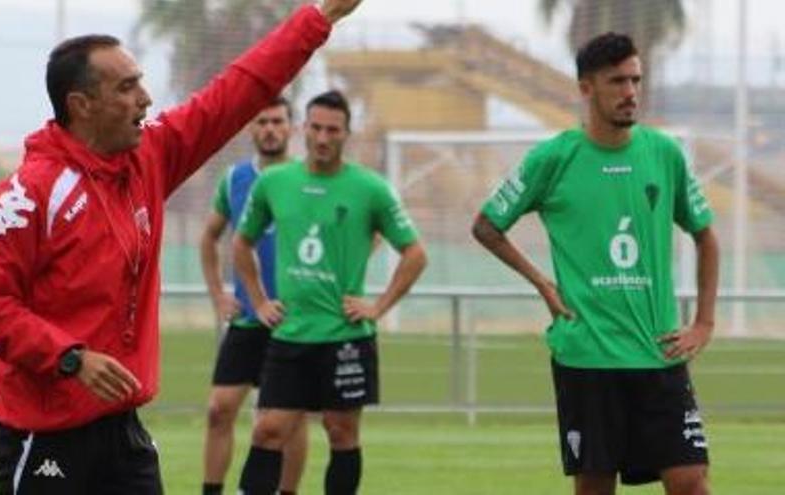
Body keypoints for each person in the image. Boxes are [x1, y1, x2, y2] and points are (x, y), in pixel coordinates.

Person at [0, 2, 363, 493]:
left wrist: (319, 18)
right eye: (126, 88)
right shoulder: (27, 196)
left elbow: (234, 93)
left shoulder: (148, 157)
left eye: (141, 83)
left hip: (121, 428)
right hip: (44, 433)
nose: (145, 99)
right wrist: (71, 358)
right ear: (81, 104)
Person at [471, 33, 719, 495]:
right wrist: (543, 283)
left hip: (658, 351)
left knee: (690, 481)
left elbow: (706, 236)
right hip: (587, 355)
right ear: (586, 87)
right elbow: (486, 225)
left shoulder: (664, 154)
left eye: (636, 80)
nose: (630, 92)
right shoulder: (554, 158)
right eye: (617, 81)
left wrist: (703, 322)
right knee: (595, 487)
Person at [234, 90, 428, 495]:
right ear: (304, 129)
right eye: (316, 128)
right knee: (269, 430)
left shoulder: (370, 188)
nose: (323, 138)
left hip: (345, 338)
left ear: (346, 134)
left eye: (332, 130)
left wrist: (378, 306)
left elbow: (414, 253)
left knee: (341, 432)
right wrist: (257, 300)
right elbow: (241, 242)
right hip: (290, 334)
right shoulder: (275, 182)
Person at [200, 97, 308, 495]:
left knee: (287, 420)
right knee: (218, 409)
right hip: (248, 317)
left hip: (295, 320)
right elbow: (210, 238)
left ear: (292, 128)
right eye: (262, 122)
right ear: (250, 129)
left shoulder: (307, 177)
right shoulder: (235, 180)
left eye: (278, 121)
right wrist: (218, 295)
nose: (270, 129)